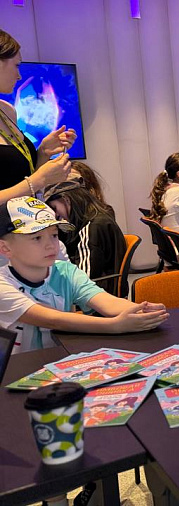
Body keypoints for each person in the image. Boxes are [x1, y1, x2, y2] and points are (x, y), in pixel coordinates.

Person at [0, 196, 169, 355]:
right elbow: (53, 319)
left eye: (54, 235)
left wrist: (140, 311)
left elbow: (104, 300)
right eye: (37, 238)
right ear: (5, 248)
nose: (51, 245)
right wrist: (114, 325)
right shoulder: (3, 284)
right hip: (16, 367)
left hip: (59, 358)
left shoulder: (65, 271)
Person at [0, 29, 75, 204]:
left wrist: (43, 152)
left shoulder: (7, 110)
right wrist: (39, 180)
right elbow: (32, 182)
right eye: (16, 65)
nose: (19, 75)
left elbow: (20, 178)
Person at [43, 180, 127, 296]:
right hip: (108, 291)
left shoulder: (91, 227)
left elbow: (84, 278)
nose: (56, 215)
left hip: (97, 296)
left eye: (54, 208)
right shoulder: (101, 217)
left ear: (66, 200)